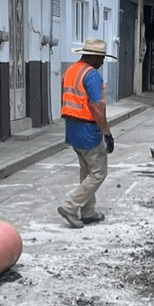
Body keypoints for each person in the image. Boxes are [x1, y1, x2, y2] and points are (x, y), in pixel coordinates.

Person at [57, 37, 116, 229]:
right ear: (93, 57)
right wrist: (107, 132)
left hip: (72, 128)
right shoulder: (92, 76)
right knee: (98, 173)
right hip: (88, 130)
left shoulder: (71, 71)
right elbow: (96, 107)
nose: (103, 61)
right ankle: (70, 206)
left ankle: (88, 213)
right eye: (101, 58)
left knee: (86, 171)